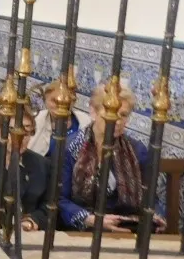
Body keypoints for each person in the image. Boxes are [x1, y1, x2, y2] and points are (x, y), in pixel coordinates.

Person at [59, 84, 165, 232]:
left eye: (124, 115)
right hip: (84, 228)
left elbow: (151, 198)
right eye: (112, 112)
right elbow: (60, 200)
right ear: (93, 111)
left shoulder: (137, 150)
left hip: (127, 228)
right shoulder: (69, 148)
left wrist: (157, 217)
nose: (118, 121)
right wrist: (89, 219)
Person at [0, 108, 49, 231]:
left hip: (29, 234)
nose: (19, 139)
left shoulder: (42, 165)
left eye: (26, 133)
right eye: (12, 132)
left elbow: (48, 206)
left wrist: (31, 221)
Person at [29, 79, 91, 157]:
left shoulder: (85, 121)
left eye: (64, 101)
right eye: (54, 101)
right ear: (46, 100)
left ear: (72, 101)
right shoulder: (37, 120)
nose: (59, 106)